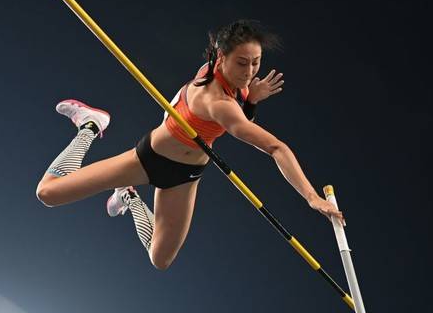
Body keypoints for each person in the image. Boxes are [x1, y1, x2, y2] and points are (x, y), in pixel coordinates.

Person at [36, 19, 344, 270]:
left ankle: (128, 196)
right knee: (48, 193)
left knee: (160, 259)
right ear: (221, 58)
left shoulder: (235, 84)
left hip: (184, 177)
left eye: (256, 62)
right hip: (147, 160)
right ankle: (91, 126)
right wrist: (311, 197)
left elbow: (241, 110)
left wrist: (251, 99)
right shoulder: (218, 102)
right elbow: (277, 148)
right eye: (242, 63)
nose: (250, 72)